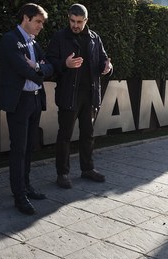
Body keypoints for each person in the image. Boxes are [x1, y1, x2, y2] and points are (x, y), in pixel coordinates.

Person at [46, 3, 113, 189]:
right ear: (68, 19)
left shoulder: (94, 38)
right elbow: (49, 63)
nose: (75, 25)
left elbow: (103, 60)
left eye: (79, 22)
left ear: (86, 21)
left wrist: (107, 68)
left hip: (90, 95)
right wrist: (65, 64)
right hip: (69, 94)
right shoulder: (60, 37)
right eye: (72, 21)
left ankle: (87, 168)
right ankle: (63, 173)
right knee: (64, 136)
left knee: (88, 134)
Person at [0, 3, 53, 215]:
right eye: (38, 21)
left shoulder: (34, 43)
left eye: (42, 22)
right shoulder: (10, 40)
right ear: (26, 19)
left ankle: (27, 187)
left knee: (29, 147)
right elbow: (23, 69)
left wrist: (38, 67)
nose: (41, 26)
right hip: (19, 102)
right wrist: (39, 70)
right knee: (19, 149)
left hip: (35, 100)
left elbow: (49, 67)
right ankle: (19, 195)